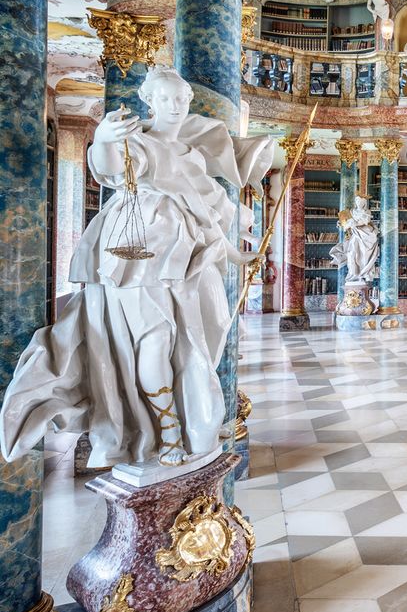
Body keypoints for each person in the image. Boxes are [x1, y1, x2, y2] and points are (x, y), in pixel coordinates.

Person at [0, 67, 274, 468]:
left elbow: (208, 217)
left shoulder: (192, 154)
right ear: (150, 100)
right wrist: (105, 140)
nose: (176, 106)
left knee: (199, 339)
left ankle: (194, 416)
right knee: (154, 340)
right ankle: (167, 431)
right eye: (166, 99)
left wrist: (237, 255)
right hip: (139, 256)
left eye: (181, 98)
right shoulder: (137, 142)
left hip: (188, 260)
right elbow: (110, 166)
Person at [329, 197, 380, 282]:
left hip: (364, 234)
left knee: (363, 255)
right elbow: (346, 222)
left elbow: (365, 221)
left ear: (364, 203)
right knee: (351, 253)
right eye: (357, 201)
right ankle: (353, 274)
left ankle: (364, 273)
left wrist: (354, 223)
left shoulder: (366, 211)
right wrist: (341, 223)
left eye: (361, 202)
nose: (359, 203)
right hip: (355, 234)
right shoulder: (352, 211)